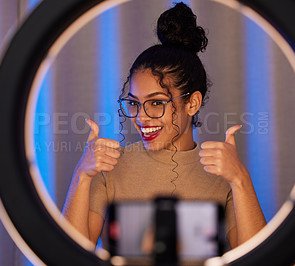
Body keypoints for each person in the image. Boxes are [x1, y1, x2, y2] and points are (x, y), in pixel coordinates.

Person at [62, 2, 266, 250]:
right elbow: (68, 256)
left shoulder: (224, 176)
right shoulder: (110, 168)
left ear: (192, 103)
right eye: (135, 103)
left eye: (156, 102)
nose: (141, 118)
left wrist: (240, 179)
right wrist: (81, 175)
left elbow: (258, 258)